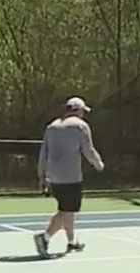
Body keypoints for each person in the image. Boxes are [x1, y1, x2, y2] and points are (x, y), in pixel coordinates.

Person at [34, 97, 105, 257]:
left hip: (54, 176)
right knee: (67, 210)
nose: (83, 115)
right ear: (78, 111)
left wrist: (42, 175)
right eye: (82, 111)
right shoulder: (81, 126)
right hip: (71, 176)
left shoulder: (51, 127)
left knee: (67, 209)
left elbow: (43, 153)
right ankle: (45, 237)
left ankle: (71, 242)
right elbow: (89, 150)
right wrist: (98, 164)